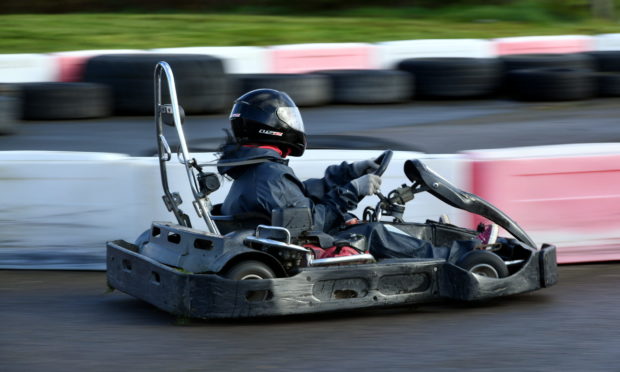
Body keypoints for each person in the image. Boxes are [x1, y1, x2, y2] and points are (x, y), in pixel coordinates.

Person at [217, 88, 496, 260]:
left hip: (280, 238)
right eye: (287, 118)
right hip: (299, 246)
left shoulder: (257, 170)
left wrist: (351, 173)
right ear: (271, 126)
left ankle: (445, 242)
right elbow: (311, 223)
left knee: (354, 221)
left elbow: (303, 195)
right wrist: (354, 191)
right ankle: (462, 255)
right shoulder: (268, 175)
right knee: (373, 232)